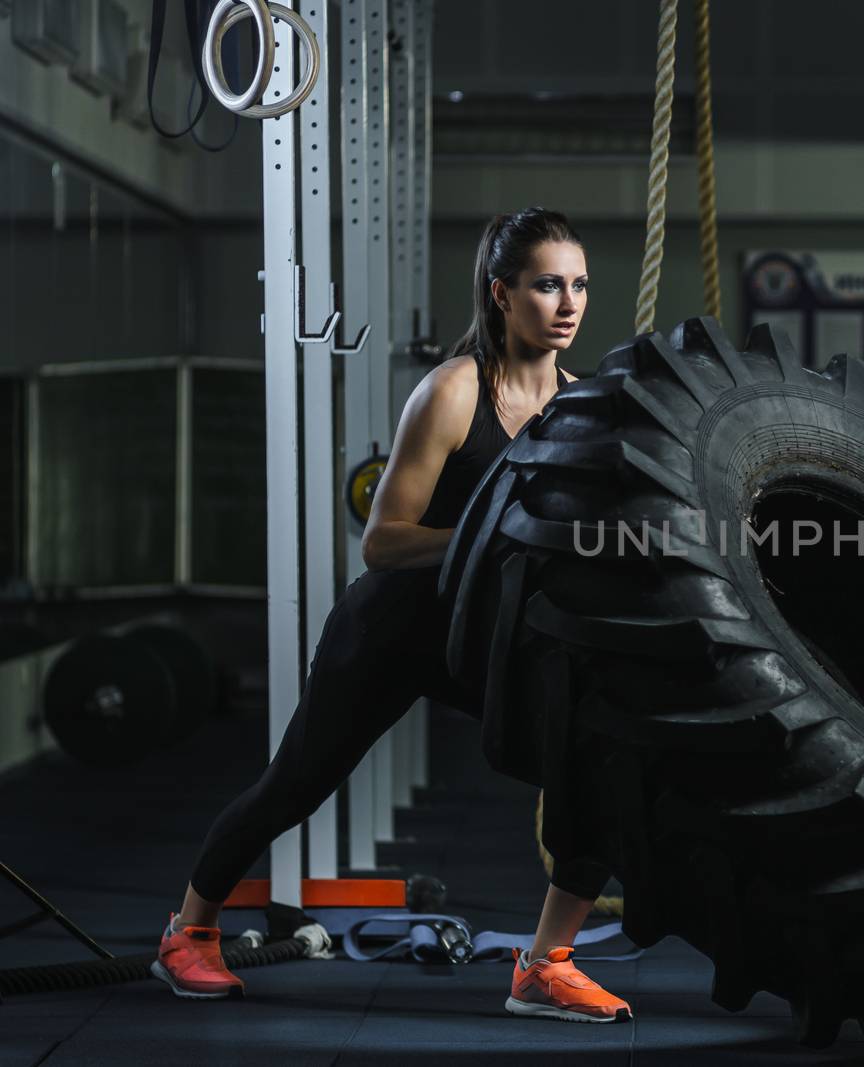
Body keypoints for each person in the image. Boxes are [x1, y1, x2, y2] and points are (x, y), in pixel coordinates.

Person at [153, 208, 633, 1023]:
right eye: (547, 284)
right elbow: (384, 542)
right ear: (501, 293)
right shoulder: (453, 391)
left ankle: (544, 964)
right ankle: (187, 931)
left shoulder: (581, 405)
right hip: (394, 627)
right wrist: (496, 535)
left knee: (597, 755)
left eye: (579, 284)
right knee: (295, 782)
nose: (568, 302)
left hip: (486, 633)